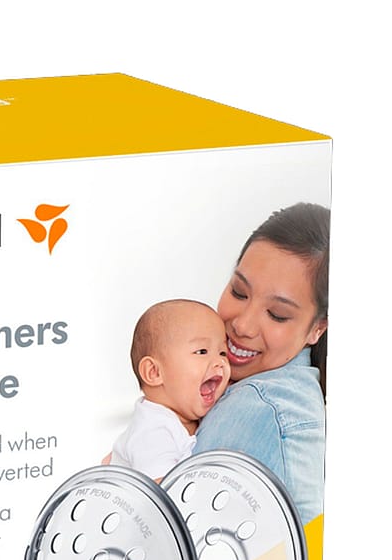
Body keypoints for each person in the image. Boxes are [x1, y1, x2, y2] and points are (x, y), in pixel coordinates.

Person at [194, 202, 329, 523]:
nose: (243, 325)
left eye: (277, 314)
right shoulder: (296, 391)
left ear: (317, 328)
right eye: (239, 292)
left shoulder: (260, 405)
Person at [111, 299, 230, 479]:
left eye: (223, 353)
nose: (220, 362)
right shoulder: (153, 431)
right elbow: (161, 489)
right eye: (202, 351)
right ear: (154, 372)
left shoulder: (185, 415)